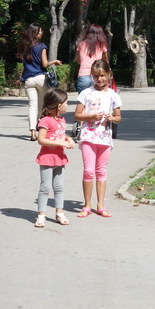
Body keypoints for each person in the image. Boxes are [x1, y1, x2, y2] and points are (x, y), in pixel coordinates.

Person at [74, 60, 122, 218]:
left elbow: (118, 117)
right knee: (88, 171)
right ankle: (87, 205)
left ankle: (100, 205)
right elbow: (77, 115)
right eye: (95, 76)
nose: (99, 79)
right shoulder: (86, 93)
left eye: (102, 75)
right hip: (88, 136)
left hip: (105, 138)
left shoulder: (113, 95)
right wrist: (91, 116)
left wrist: (111, 118)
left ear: (108, 74)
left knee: (101, 171)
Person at [34, 88, 76, 228]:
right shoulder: (46, 120)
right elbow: (41, 139)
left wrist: (68, 138)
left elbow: (58, 135)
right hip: (47, 158)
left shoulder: (61, 120)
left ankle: (59, 212)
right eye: (66, 102)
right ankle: (41, 215)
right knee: (45, 188)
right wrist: (60, 142)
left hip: (59, 157)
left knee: (59, 187)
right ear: (59, 105)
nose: (67, 105)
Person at [18, 24, 62, 141]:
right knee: (42, 104)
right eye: (40, 32)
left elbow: (24, 64)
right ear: (35, 33)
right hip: (40, 78)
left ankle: (32, 132)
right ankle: (40, 126)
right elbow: (44, 64)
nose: (41, 34)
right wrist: (54, 62)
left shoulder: (24, 47)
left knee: (32, 105)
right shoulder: (42, 46)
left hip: (28, 79)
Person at [75, 25, 109, 92]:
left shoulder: (81, 44)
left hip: (83, 75)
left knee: (83, 100)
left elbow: (78, 60)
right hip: (97, 76)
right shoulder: (102, 45)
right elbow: (106, 61)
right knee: (97, 100)